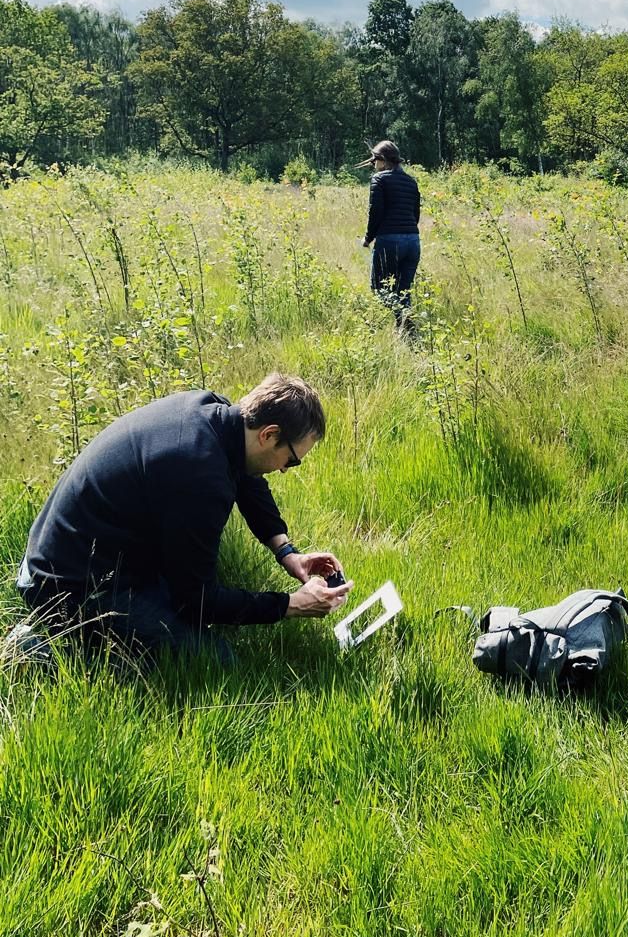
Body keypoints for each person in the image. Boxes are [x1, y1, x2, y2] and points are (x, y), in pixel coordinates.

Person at [15, 373, 351, 661]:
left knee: (187, 610)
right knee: (215, 660)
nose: (285, 470)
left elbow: (249, 480)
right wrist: (291, 605)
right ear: (268, 435)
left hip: (67, 554)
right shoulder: (199, 476)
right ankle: (39, 648)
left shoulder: (216, 413)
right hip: (67, 589)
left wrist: (287, 553)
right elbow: (197, 600)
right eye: (291, 460)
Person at [360, 140, 421, 329]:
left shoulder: (379, 179)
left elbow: (375, 212)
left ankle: (398, 324)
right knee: (403, 291)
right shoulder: (411, 182)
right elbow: (415, 215)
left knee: (379, 288)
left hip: (389, 241)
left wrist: (368, 238)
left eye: (374, 160)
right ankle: (405, 328)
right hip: (413, 242)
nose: (373, 164)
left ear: (383, 160)